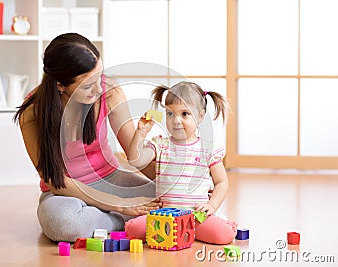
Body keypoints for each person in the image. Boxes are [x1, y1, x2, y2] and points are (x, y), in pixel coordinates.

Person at [13, 33, 161, 243]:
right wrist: (118, 205)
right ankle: (123, 221)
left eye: (99, 76)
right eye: (87, 84)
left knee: (170, 198)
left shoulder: (109, 93)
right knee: (63, 223)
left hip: (111, 180)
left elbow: (135, 156)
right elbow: (55, 182)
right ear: (60, 85)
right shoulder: (33, 112)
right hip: (65, 194)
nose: (99, 88)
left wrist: (177, 180)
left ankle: (106, 221)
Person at [125, 81, 237, 244]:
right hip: (164, 217)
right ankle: (179, 233)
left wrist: (211, 206)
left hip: (195, 216)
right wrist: (141, 132)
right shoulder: (160, 144)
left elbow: (221, 182)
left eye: (184, 114)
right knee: (133, 230)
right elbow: (136, 160)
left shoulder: (207, 148)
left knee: (224, 235)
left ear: (200, 116)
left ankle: (192, 230)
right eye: (170, 114)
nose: (176, 120)